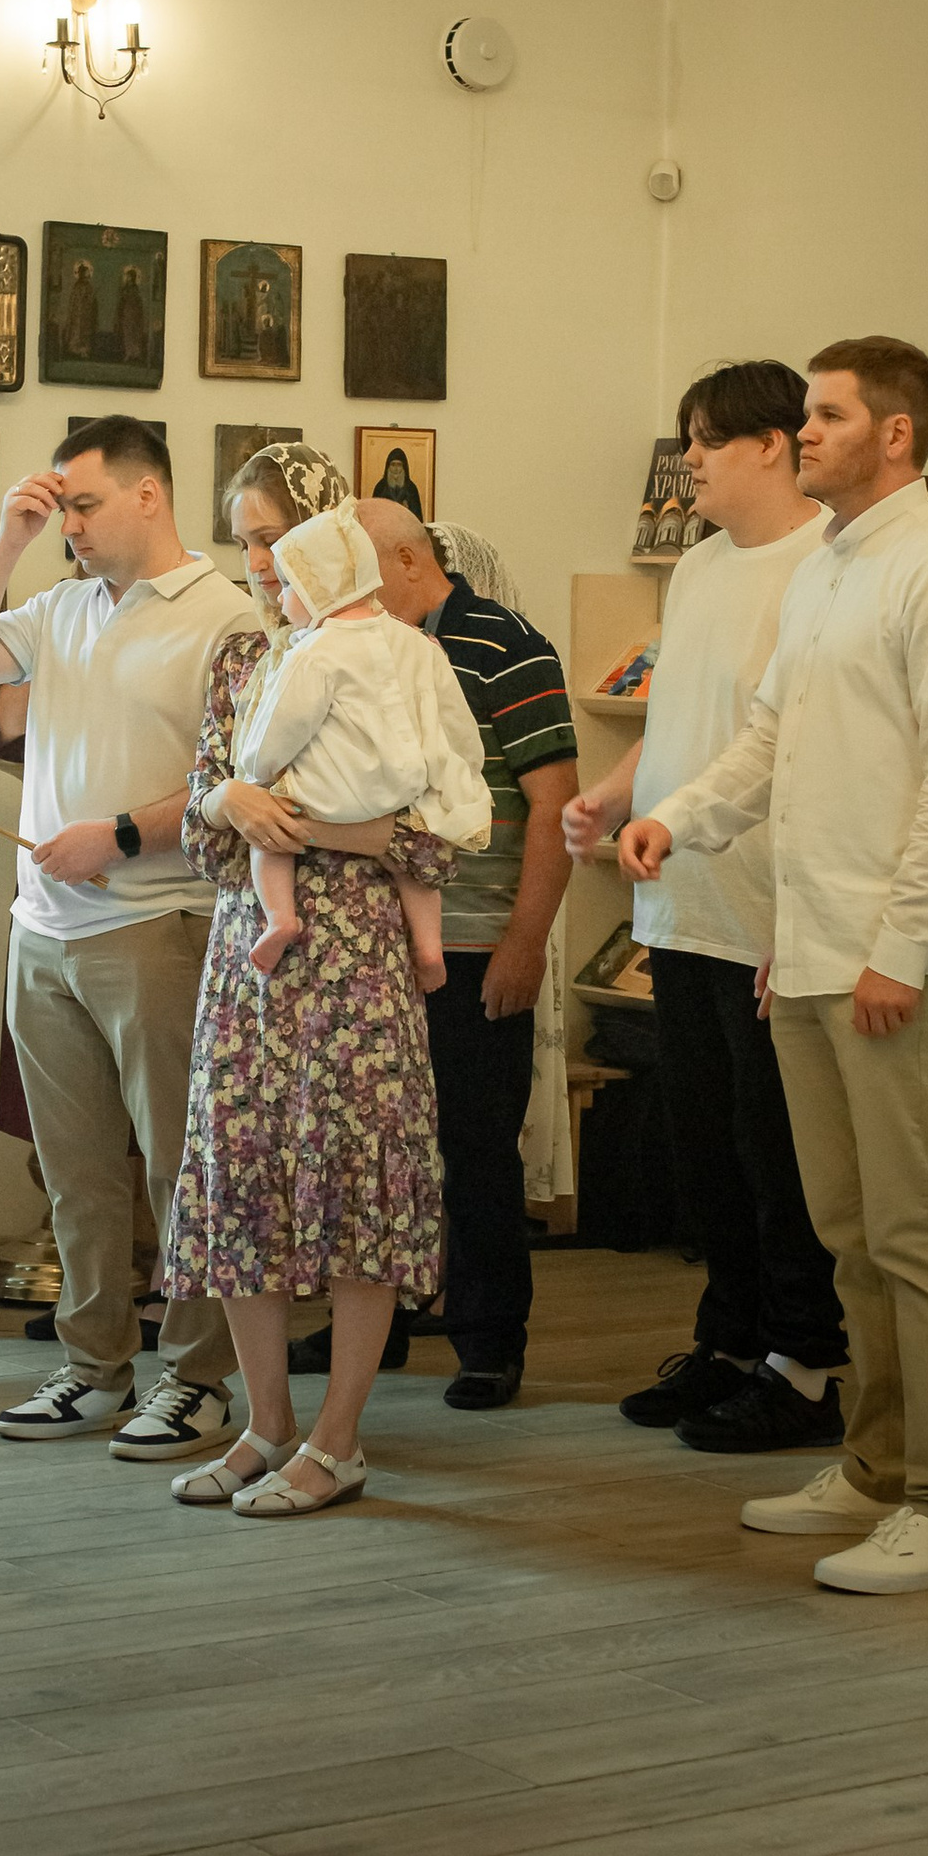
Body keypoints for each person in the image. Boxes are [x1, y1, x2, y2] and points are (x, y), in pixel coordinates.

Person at [623, 336, 928, 1597]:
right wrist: (677, 821)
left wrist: (895, 951)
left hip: (899, 964)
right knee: (846, 1238)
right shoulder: (831, 564)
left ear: (894, 434)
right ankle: (876, 1466)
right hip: (805, 958)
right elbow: (773, 740)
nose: (809, 432)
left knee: (918, 1240)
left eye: (830, 416)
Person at [0, 417, 254, 1460]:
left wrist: (117, 835)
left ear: (148, 495)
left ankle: (196, 1378)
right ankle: (92, 1368)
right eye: (57, 506)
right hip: (46, 927)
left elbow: (235, 783)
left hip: (158, 921)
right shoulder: (60, 603)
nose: (66, 523)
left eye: (81, 505)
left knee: (176, 1167)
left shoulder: (227, 617)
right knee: (74, 1174)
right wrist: (8, 540)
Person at [168, 446, 464, 1513]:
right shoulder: (242, 661)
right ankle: (266, 1426)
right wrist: (222, 810)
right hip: (252, 963)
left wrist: (330, 826)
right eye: (242, 539)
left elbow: (437, 838)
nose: (253, 561)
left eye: (269, 539)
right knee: (241, 1189)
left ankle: (338, 1438)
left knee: (358, 1193)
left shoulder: (400, 658)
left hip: (357, 971)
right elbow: (206, 816)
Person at [562, 359, 847, 1455]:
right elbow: (678, 720)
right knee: (706, 1153)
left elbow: (793, 746)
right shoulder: (697, 570)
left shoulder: (824, 564)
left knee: (778, 1154)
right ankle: (729, 1343)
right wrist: (604, 794)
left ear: (772, 444)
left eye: (708, 440)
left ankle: (807, 1365)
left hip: (767, 907)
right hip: (678, 903)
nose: (689, 460)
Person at [353, 497, 578, 1409]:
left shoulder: (502, 643)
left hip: (481, 940)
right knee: (377, 1149)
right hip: (382, 946)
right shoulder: (367, 643)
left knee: (477, 1146)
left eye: (367, 576)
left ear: (411, 561)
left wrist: (527, 943)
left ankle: (489, 1340)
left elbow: (554, 802)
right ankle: (379, 1326)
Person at [232, 500, 489, 985]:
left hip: (330, 800)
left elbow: (278, 731)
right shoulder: (416, 641)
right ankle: (431, 947)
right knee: (413, 870)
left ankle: (280, 917)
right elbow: (455, 722)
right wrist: (457, 774)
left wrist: (255, 770)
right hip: (403, 795)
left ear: (319, 587)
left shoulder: (316, 652)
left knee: (267, 823)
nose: (281, 599)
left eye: (290, 586)